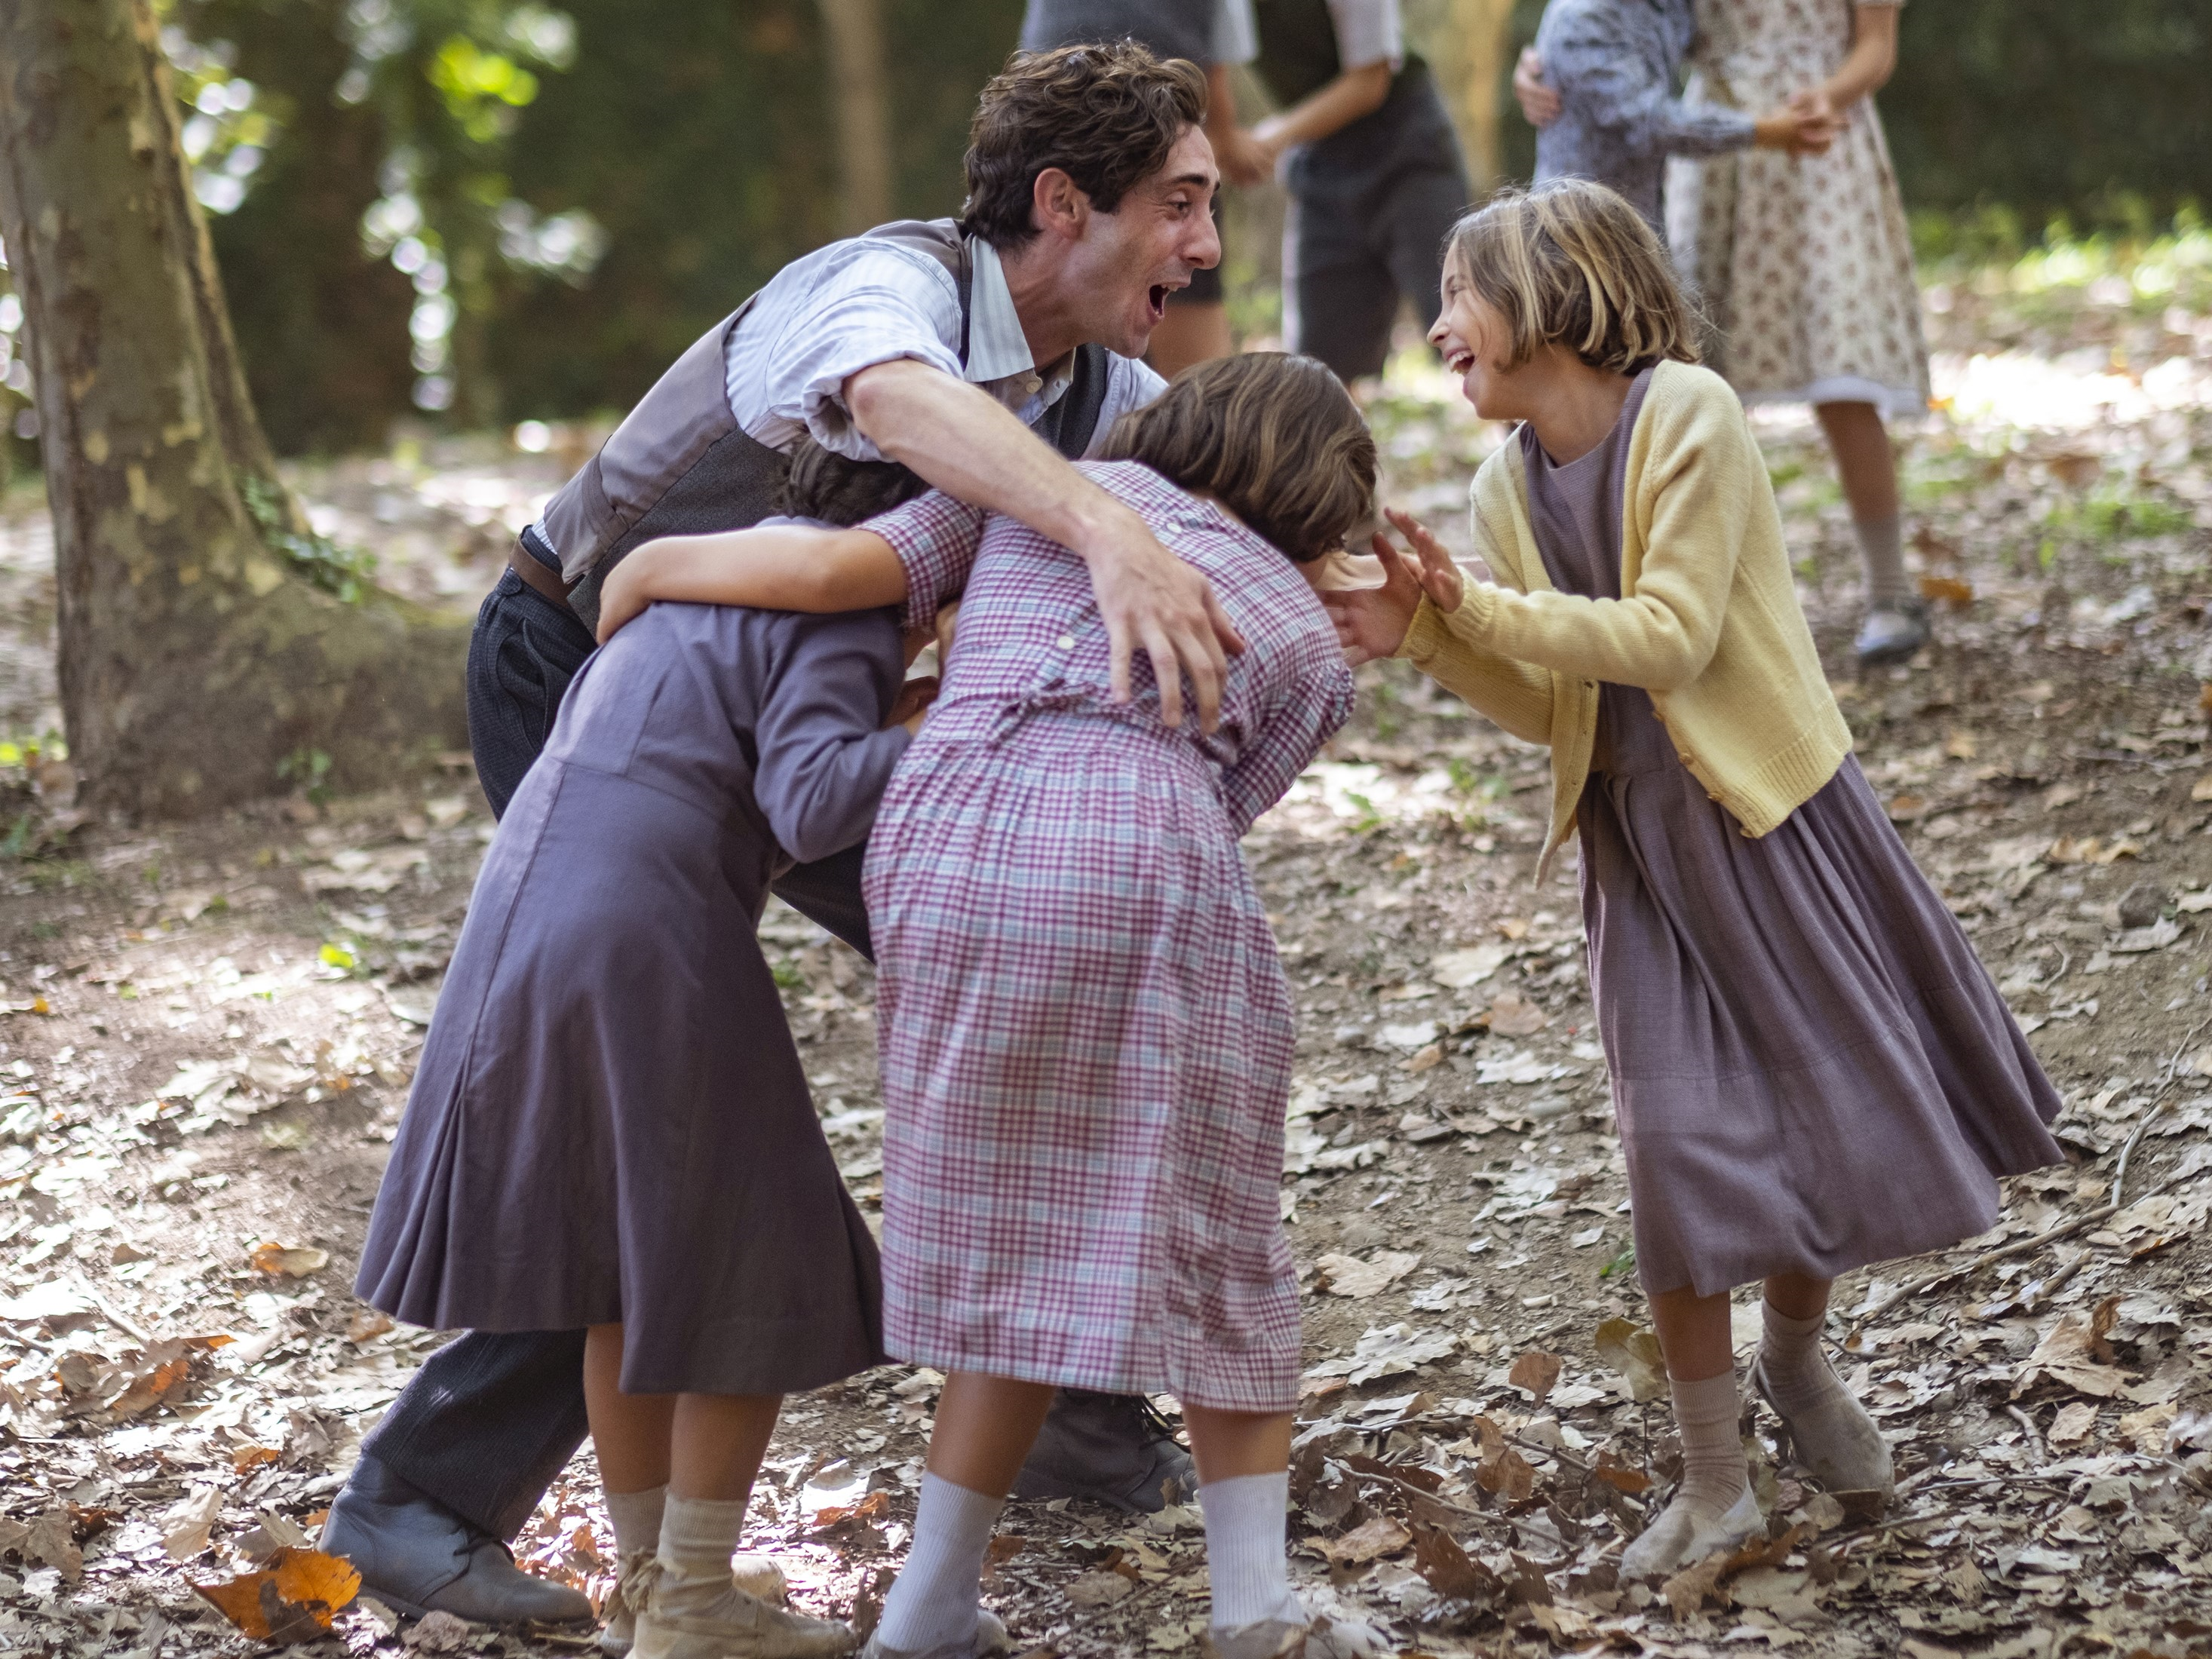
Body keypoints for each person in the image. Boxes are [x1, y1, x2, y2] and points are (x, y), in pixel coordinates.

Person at [324, 41, 1229, 1627]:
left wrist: (1356, 542)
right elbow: (895, 413)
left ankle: (1061, 1398)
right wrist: (1095, 534)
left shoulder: (1099, 380)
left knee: (1035, 960)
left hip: (773, 709)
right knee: (639, 1122)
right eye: (1177, 202)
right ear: (1062, 202)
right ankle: (424, 1493)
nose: (1204, 243)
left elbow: (1222, 472)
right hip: (584, 677)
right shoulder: (877, 291)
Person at [1324, 183, 2061, 1577]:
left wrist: (1464, 602)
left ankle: (1794, 1358)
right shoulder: (1503, 484)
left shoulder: (1689, 418)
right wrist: (1419, 632)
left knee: (1824, 1121)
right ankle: (1716, 1483)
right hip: (1639, 848)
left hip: (1770, 820)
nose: (1434, 330)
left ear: (1547, 292)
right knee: (1675, 1155)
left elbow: (1662, 638)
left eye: (1456, 297)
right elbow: (1557, 695)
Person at [600, 353, 1379, 1659]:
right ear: (1316, 502)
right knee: (1217, 1229)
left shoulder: (1033, 493)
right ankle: (1255, 1610)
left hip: (939, 842)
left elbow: (828, 572)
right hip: (1132, 845)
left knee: (1013, 1218)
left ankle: (930, 1606)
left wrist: (640, 569)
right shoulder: (1301, 640)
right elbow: (1219, 811)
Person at [357, 445, 941, 1659]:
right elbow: (814, 801)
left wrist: (893, 713)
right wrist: (966, 727)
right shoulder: (845, 607)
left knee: (622, 1262)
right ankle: (690, 1600)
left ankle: (650, 1579)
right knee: (753, 1253)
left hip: (532, 898)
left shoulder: (707, 585)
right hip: (644, 926)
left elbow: (727, 766)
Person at [1516, 0, 1934, 666]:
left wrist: (1812, 103)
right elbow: (1628, 24)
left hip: (1815, 145)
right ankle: (1693, 597)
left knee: (1839, 364)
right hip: (1709, 148)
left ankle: (1890, 588)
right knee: (1691, 376)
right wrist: (1542, 59)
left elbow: (1875, 47)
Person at [1214, 0, 1471, 385]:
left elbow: (1369, 82)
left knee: (1476, 325)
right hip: (1322, 161)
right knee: (1318, 370)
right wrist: (1223, 140)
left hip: (1407, 149)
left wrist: (1269, 140)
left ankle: (1530, 442)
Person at [1019, 0, 1258, 375]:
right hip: (1147, 158)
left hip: (1037, 151)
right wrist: (1238, 146)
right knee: (1197, 397)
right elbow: (1222, 126)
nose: (1207, 250)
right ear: (1061, 201)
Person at [1525, 0, 1836, 233]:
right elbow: (1653, 124)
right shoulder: (1583, 18)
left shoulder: (1663, 6)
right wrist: (1765, 131)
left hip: (1642, 219)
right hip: (1574, 228)